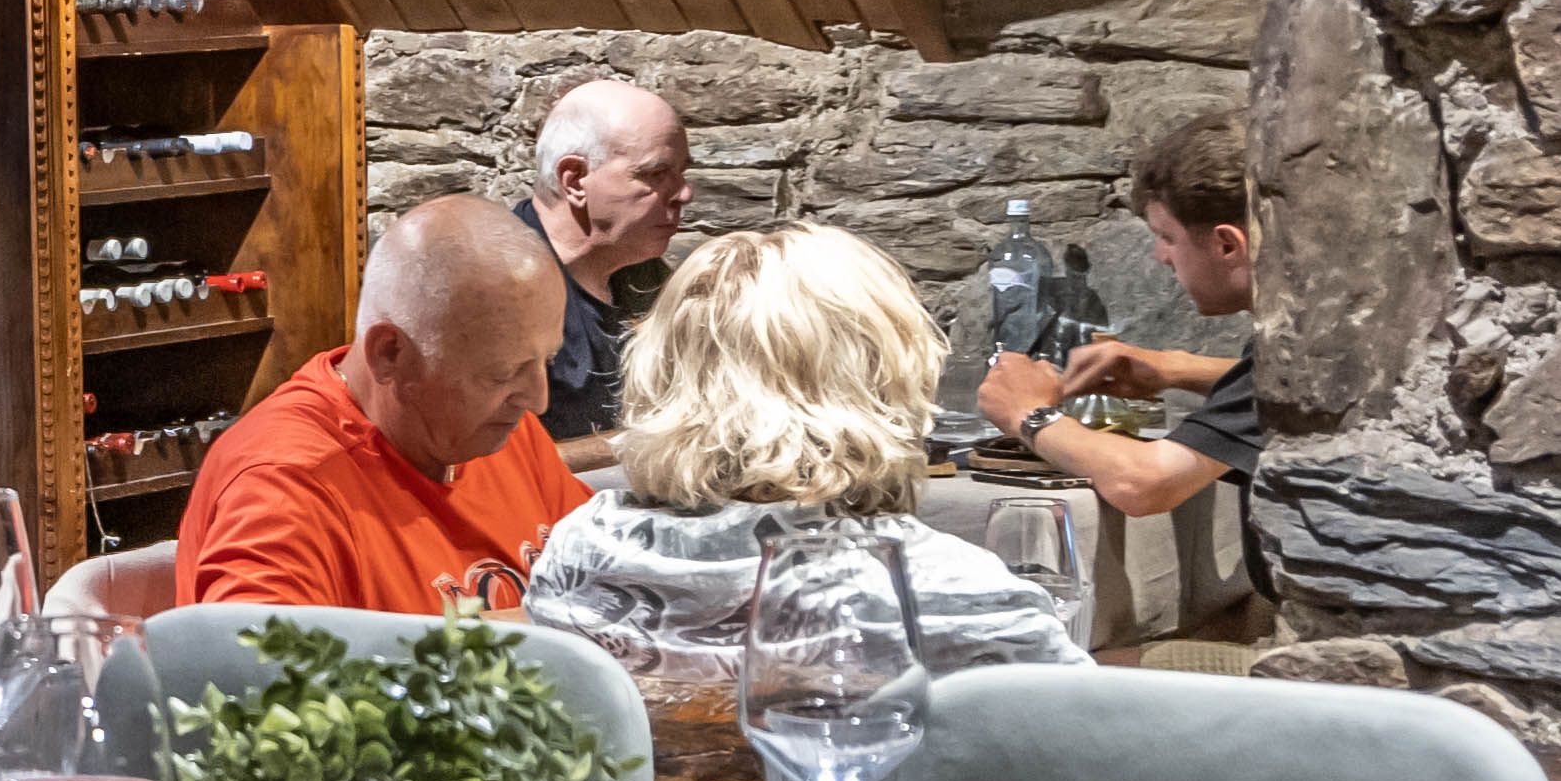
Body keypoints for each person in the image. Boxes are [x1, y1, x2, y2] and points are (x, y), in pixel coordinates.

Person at [521, 225, 1088, 710]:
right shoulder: (962, 597)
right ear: (886, 375)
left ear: (661, 370)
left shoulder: (580, 554)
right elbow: (1084, 768)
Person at [171, 197, 591, 615]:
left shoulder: (497, 427)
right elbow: (253, 656)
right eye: (502, 374)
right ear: (389, 353)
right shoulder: (284, 485)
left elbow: (602, 579)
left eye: (547, 361)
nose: (538, 400)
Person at [977, 103, 1263, 535]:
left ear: (1228, 245)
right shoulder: (1327, 327)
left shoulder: (1302, 349)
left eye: (1167, 237)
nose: (1160, 256)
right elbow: (1268, 392)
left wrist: (1027, 413)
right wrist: (1175, 369)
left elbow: (1145, 484)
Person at [520, 73, 691, 451]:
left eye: (682, 172)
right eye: (656, 173)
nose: (684, 193)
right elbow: (485, 465)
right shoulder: (502, 288)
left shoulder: (646, 277)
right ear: (575, 180)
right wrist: (652, 442)